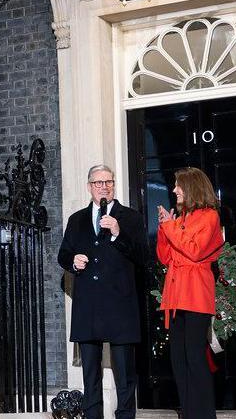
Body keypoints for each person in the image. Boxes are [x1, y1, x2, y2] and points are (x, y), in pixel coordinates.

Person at [58, 165, 147, 419]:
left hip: (120, 306)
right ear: (89, 187)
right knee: (91, 376)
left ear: (114, 185)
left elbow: (142, 256)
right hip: (89, 306)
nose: (104, 187)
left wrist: (118, 233)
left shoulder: (129, 217)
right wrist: (73, 261)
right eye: (98, 183)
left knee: (125, 375)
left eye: (108, 182)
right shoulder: (77, 219)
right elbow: (63, 254)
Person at [156, 167, 224, 419]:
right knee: (178, 359)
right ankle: (188, 412)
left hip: (195, 294)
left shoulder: (209, 217)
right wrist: (165, 228)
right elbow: (165, 257)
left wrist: (171, 228)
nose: (174, 190)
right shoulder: (182, 218)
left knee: (195, 358)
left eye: (178, 185)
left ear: (192, 187)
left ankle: (204, 415)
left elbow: (194, 251)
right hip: (175, 295)